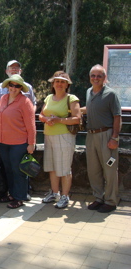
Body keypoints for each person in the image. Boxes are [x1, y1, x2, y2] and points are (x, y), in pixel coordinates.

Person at [0, 74, 36, 209]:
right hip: (4, 142)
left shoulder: (25, 101)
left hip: (19, 143)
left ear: (21, 88)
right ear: (8, 86)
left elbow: (31, 124)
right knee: (8, 169)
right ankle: (12, 193)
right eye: (11, 85)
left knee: (18, 171)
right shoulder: (3, 98)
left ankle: (20, 197)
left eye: (17, 86)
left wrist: (31, 143)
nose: (13, 88)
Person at [82, 64, 122, 213]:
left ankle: (111, 201)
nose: (96, 78)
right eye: (93, 75)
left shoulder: (111, 94)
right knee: (94, 170)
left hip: (107, 135)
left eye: (99, 76)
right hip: (91, 135)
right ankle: (98, 198)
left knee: (110, 169)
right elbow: (91, 108)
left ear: (104, 78)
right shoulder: (88, 92)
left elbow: (117, 117)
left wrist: (114, 138)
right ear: (90, 77)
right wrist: (74, 111)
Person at [39, 71, 81, 209]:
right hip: (49, 135)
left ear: (67, 84)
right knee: (52, 167)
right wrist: (46, 119)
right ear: (53, 83)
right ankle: (55, 193)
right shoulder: (49, 98)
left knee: (64, 168)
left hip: (64, 136)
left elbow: (77, 118)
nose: (59, 84)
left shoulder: (72, 99)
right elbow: (41, 115)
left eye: (62, 81)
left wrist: (58, 120)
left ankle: (65, 196)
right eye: (57, 81)